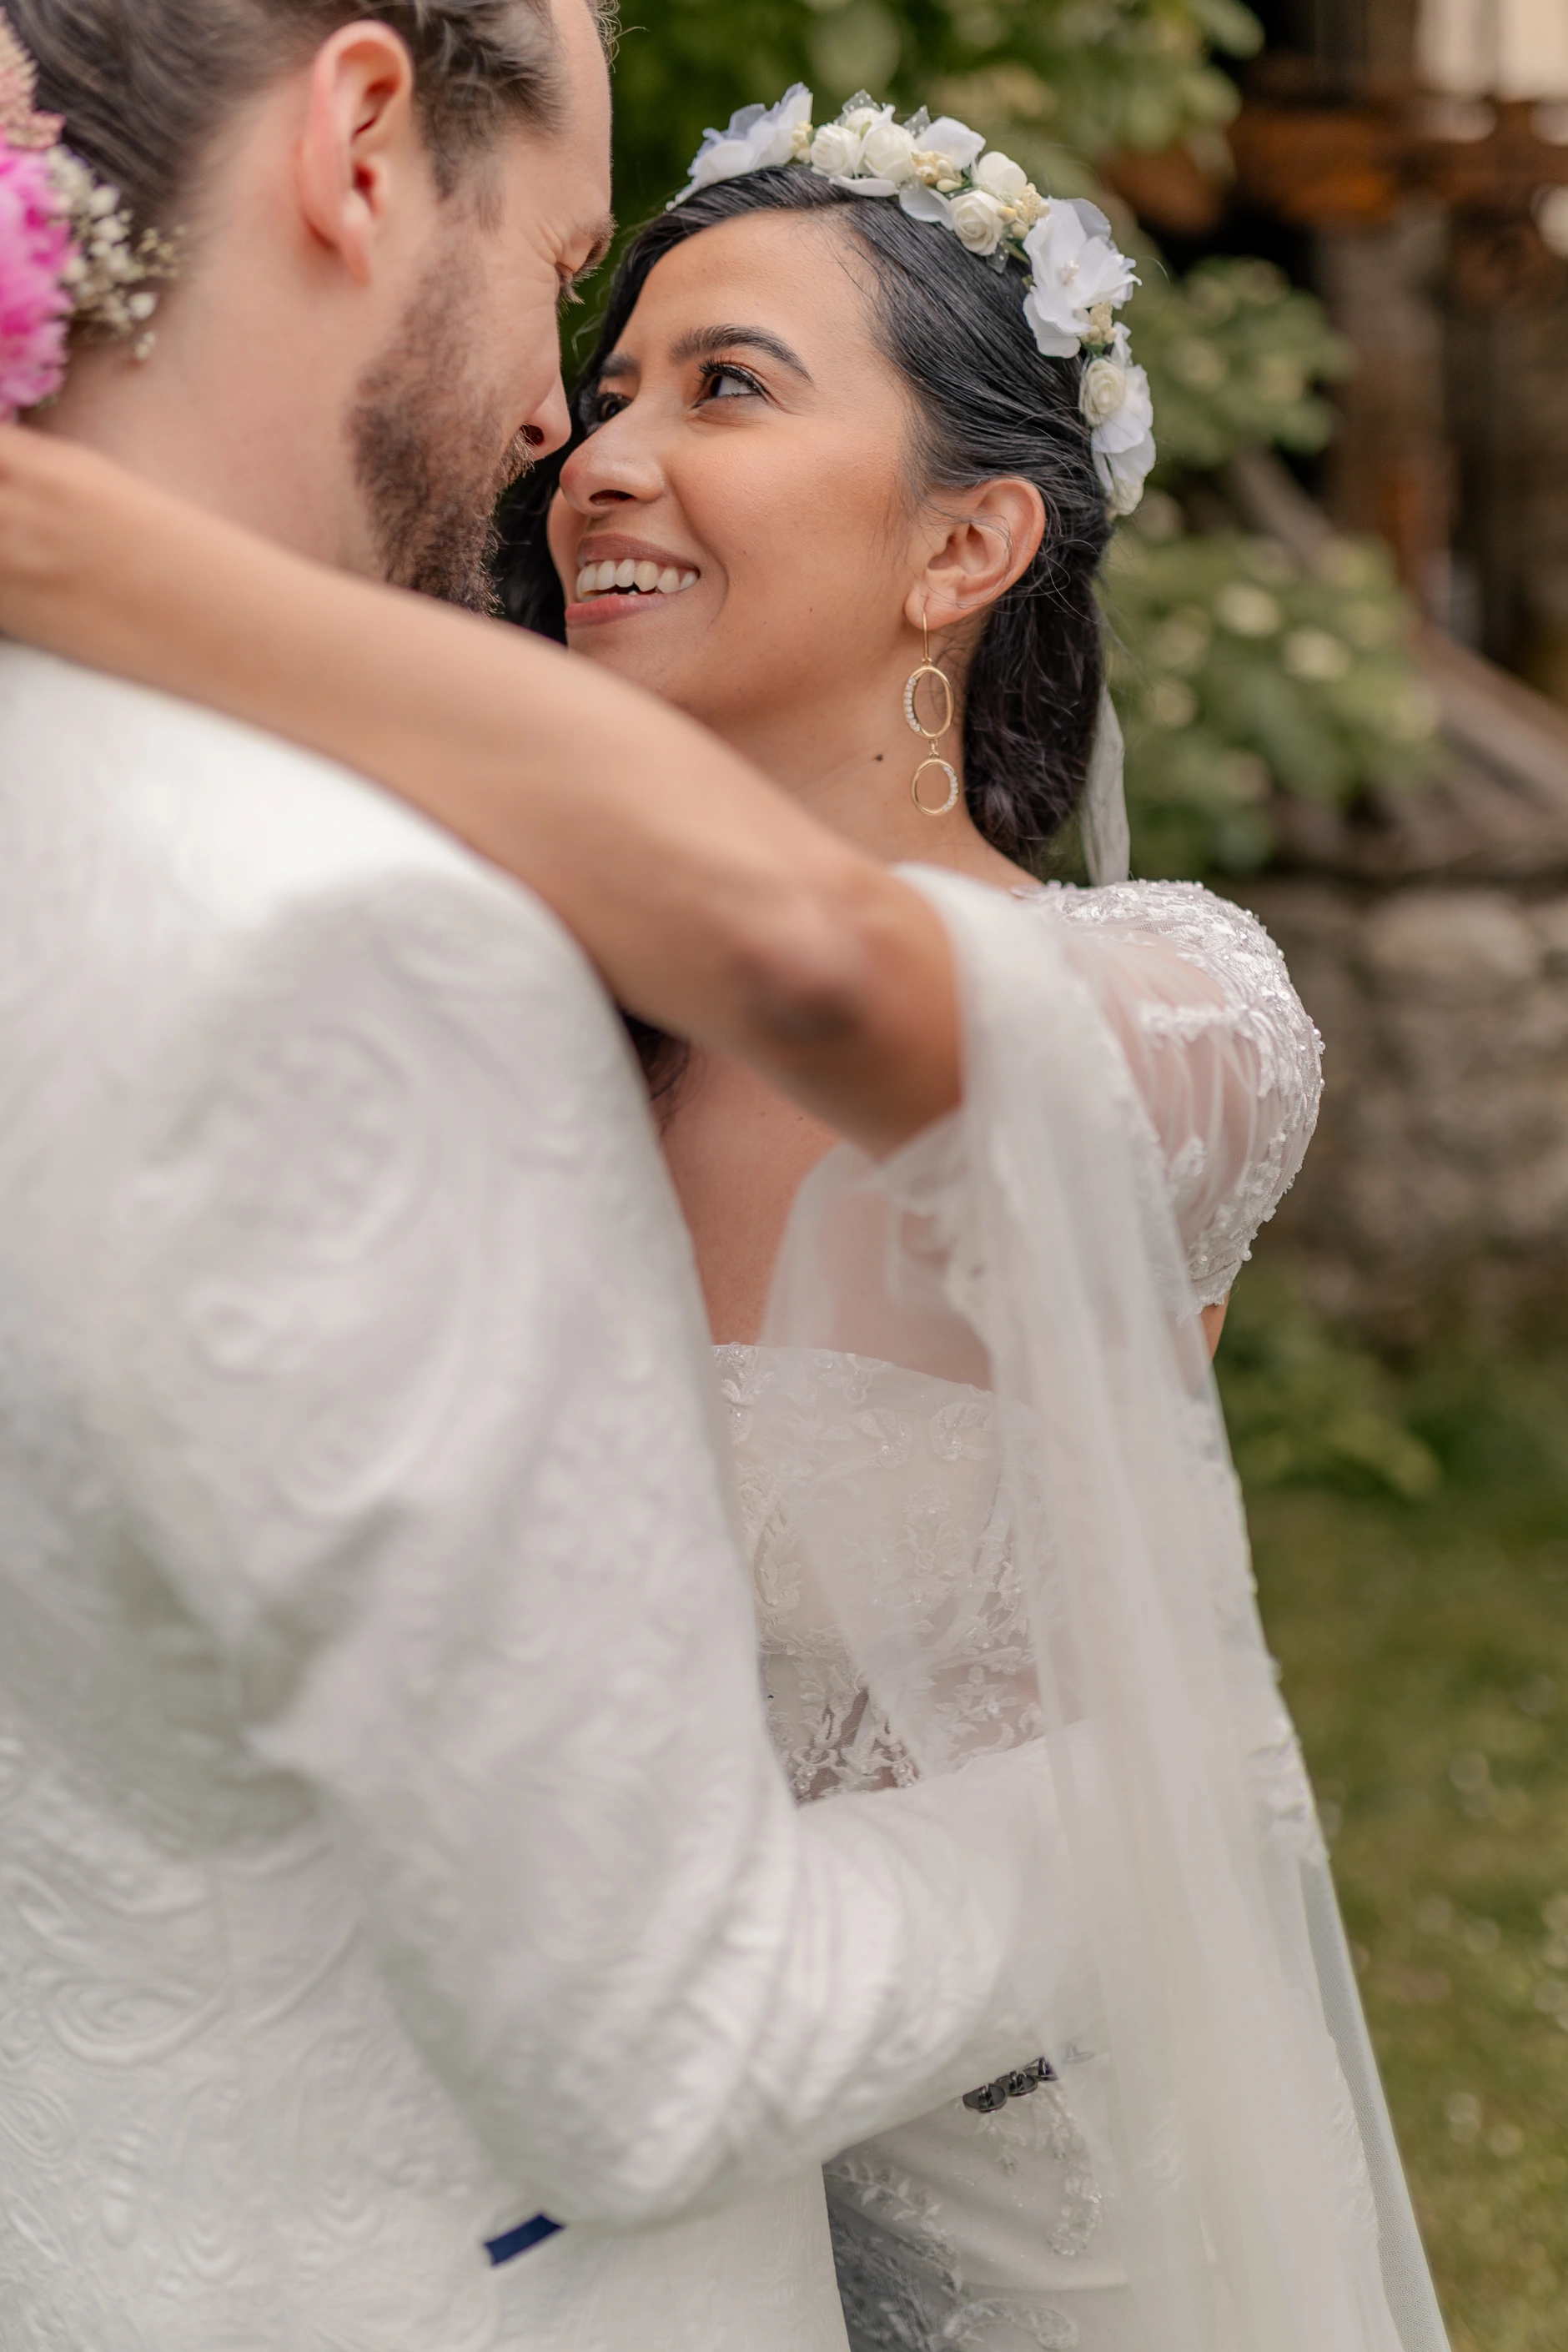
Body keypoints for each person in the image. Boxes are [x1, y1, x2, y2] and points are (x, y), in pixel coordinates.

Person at [0, 42, 1452, 2352]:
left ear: (968, 544)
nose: (603, 454)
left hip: (1037, 2206)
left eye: (731, 384)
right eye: (606, 374)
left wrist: (91, 548)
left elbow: (861, 992)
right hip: (557, 2201)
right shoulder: (488, 1001)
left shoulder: (1170, 1006)